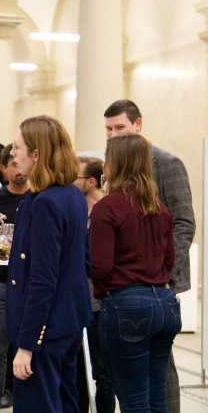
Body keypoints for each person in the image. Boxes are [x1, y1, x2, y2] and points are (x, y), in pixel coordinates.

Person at [104, 99, 195, 413]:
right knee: (131, 374)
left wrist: (166, 272)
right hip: (125, 284)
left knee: (161, 372)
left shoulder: (167, 163)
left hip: (157, 284)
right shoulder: (113, 164)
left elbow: (184, 222)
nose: (113, 134)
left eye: (120, 127)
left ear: (138, 124)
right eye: (108, 129)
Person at [90, 133, 182, 413]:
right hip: (164, 304)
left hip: (127, 306)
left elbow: (101, 266)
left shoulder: (108, 207)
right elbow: (169, 261)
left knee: (133, 401)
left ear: (115, 163)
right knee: (157, 398)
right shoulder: (159, 207)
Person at [7, 115, 92, 413]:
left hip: (45, 327)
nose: (12, 154)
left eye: (18, 148)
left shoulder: (45, 202)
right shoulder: (71, 194)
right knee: (68, 403)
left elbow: (43, 279)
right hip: (68, 321)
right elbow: (82, 260)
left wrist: (28, 343)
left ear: (36, 153)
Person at [0, 144, 29, 408]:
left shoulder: (37, 197)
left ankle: (18, 390)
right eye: (12, 164)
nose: (17, 169)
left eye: (19, 162)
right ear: (4, 168)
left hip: (27, 279)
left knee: (23, 338)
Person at [74, 156, 113, 413]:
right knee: (75, 369)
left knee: (104, 371)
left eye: (75, 177)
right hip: (76, 302)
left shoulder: (108, 211)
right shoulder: (74, 210)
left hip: (101, 302)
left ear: (90, 181)